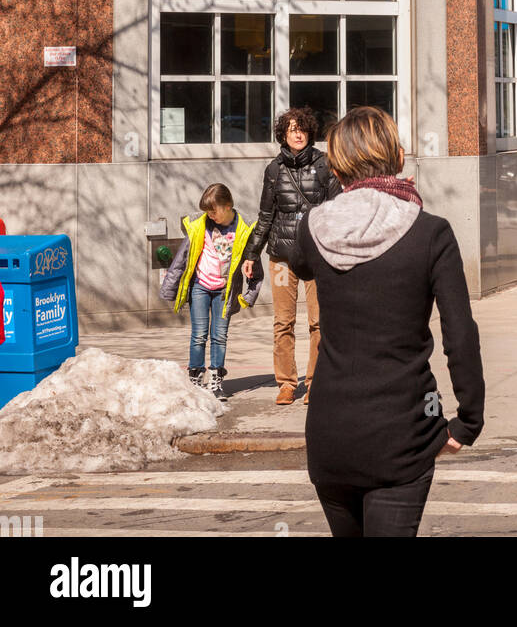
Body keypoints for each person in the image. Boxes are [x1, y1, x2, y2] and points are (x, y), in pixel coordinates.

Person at [284, 105, 485, 538]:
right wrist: (468, 421)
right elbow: (460, 334)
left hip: (329, 433)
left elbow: (297, 262)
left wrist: (348, 197)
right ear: (396, 157)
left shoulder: (314, 227)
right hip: (402, 434)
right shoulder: (431, 232)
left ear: (337, 167)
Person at [241, 107, 341, 405]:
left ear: (310, 132)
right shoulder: (274, 170)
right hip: (282, 258)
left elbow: (337, 208)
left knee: (319, 322)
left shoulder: (325, 165)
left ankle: (315, 382)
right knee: (283, 321)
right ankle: (286, 383)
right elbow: (265, 214)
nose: (297, 134)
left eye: (302, 129)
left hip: (316, 256)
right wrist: (251, 253)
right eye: (291, 129)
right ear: (283, 134)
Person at [160, 183, 263, 400]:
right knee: (199, 335)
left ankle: (216, 380)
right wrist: (170, 288)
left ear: (227, 206)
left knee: (219, 336)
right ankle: (195, 377)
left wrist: (250, 293)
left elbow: (254, 264)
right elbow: (181, 259)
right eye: (208, 212)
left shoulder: (243, 230)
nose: (211, 215)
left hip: (224, 291)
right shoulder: (200, 226)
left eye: (214, 211)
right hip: (200, 286)